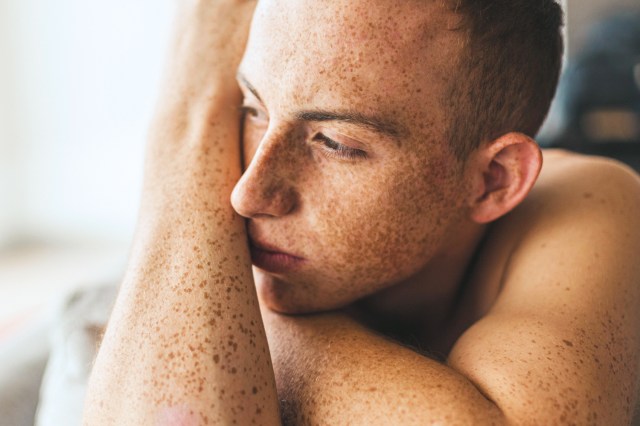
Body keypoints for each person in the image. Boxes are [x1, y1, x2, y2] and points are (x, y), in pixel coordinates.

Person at [83, 0, 640, 424]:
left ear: (494, 179)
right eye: (251, 108)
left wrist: (256, 324)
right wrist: (192, 112)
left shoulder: (589, 201)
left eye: (335, 142)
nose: (246, 195)